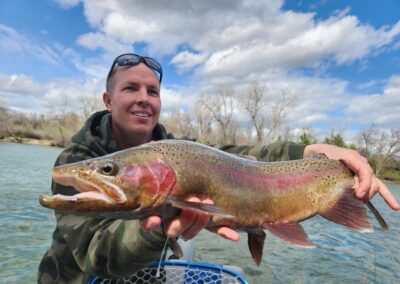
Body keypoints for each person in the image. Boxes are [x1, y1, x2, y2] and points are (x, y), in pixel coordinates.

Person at [38, 53, 399, 283]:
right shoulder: (76, 161)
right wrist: (155, 229)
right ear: (108, 99)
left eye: (153, 91)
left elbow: (238, 157)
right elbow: (100, 258)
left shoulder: (173, 147)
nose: (144, 99)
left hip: (151, 272)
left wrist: (308, 150)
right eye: (131, 88)